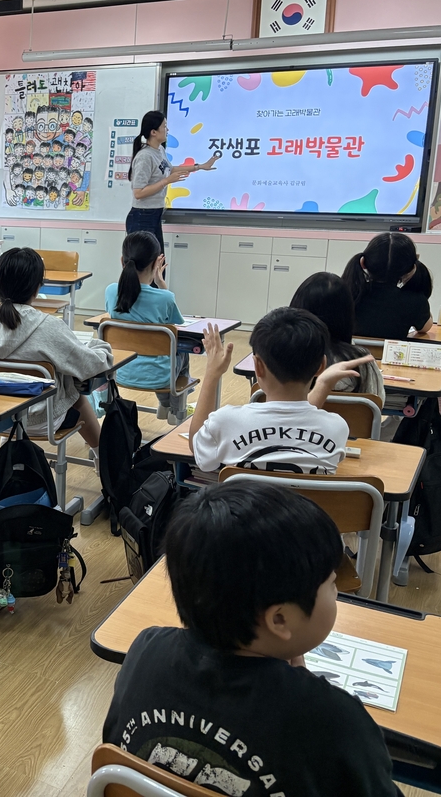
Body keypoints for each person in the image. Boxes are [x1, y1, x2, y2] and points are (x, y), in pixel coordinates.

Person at [103, 479, 402, 797]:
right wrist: (305, 692)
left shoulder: (146, 650)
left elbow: (117, 747)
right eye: (331, 582)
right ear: (280, 619)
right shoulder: (334, 721)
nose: (338, 590)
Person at [0, 247, 112, 462]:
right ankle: (105, 462)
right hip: (42, 419)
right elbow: (89, 366)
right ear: (37, 287)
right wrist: (100, 346)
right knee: (76, 397)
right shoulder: (48, 327)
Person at [190, 307, 374, 474]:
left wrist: (212, 374)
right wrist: (323, 384)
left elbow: (197, 447)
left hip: (244, 512)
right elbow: (294, 425)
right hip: (307, 512)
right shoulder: (337, 427)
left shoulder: (226, 422)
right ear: (321, 367)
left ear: (257, 366)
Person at [105, 231, 189, 422]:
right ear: (155, 264)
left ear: (122, 261)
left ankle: (166, 406)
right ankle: (173, 409)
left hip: (120, 371)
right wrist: (161, 284)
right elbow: (175, 324)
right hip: (160, 378)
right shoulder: (165, 297)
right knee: (182, 350)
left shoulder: (111, 291)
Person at [126, 110, 216, 251]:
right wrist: (166, 181)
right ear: (153, 132)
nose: (167, 130)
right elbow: (138, 192)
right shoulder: (145, 157)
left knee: (158, 265)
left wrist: (200, 167)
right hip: (142, 217)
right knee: (143, 267)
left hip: (154, 214)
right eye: (164, 126)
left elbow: (170, 169)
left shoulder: (159, 150)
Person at [290, 272, 386, 403]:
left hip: (290, 424)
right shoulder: (361, 360)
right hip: (351, 423)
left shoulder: (284, 353)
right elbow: (377, 402)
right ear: (347, 314)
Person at [342, 232, 434, 340]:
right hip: (392, 356)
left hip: (349, 356)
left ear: (363, 262)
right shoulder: (416, 301)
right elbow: (425, 328)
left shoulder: (345, 294)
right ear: (411, 268)